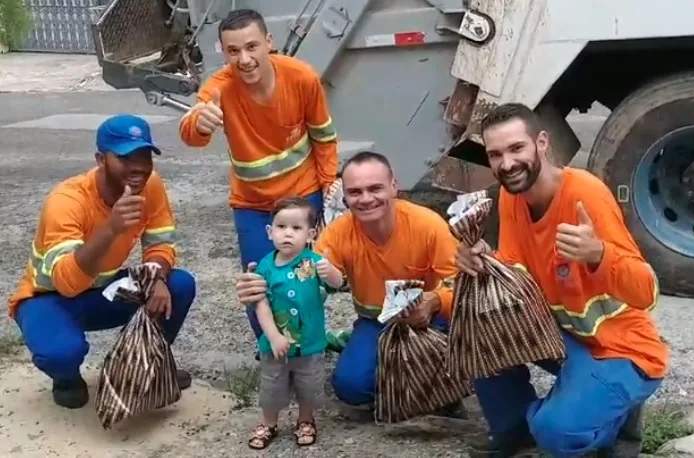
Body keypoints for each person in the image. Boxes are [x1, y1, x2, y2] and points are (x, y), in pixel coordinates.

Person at [454, 103, 669, 457]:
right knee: (474, 323)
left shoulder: (585, 194)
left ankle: (612, 428)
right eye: (495, 154)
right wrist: (481, 265)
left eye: (516, 148)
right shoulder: (511, 195)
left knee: (555, 432)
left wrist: (598, 253)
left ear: (541, 143)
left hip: (622, 349)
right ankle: (515, 431)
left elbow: (646, 291)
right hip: (567, 339)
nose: (507, 164)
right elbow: (515, 273)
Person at [235, 151, 464, 413]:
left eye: (375, 188)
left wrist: (434, 301)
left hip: (431, 320)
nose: (366, 199)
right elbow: (305, 282)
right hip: (375, 321)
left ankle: (427, 382)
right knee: (350, 388)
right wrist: (262, 288)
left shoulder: (428, 224)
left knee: (454, 369)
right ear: (345, 197)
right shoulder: (338, 234)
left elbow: (460, 282)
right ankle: (394, 374)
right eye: (355, 192)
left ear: (394, 187)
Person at [7, 114, 197, 410]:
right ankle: (67, 378)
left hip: (104, 291)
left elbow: (160, 243)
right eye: (125, 157)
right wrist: (111, 228)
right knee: (61, 352)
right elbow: (67, 284)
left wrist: (157, 278)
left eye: (144, 156)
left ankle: (142, 363)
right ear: (101, 159)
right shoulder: (66, 201)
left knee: (179, 284)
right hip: (51, 299)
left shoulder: (151, 185)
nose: (138, 167)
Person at [178, 8, 339, 340]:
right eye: (233, 51)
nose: (245, 59)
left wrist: (328, 188)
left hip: (302, 195)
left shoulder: (301, 77)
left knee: (307, 278)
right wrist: (199, 123)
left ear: (269, 42)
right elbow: (192, 130)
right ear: (224, 53)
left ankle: (306, 345)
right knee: (257, 281)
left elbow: (323, 138)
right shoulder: (219, 87)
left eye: (252, 47)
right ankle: (270, 350)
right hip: (251, 204)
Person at [248, 197, 344, 449]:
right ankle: (269, 423)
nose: (287, 234)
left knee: (309, 386)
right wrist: (273, 336)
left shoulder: (313, 262)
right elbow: (261, 305)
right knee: (271, 387)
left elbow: (338, 284)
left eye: (296, 228)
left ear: (311, 234)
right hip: (275, 345)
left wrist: (331, 271)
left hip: (310, 343)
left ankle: (306, 420)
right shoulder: (265, 267)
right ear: (270, 232)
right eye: (281, 227)